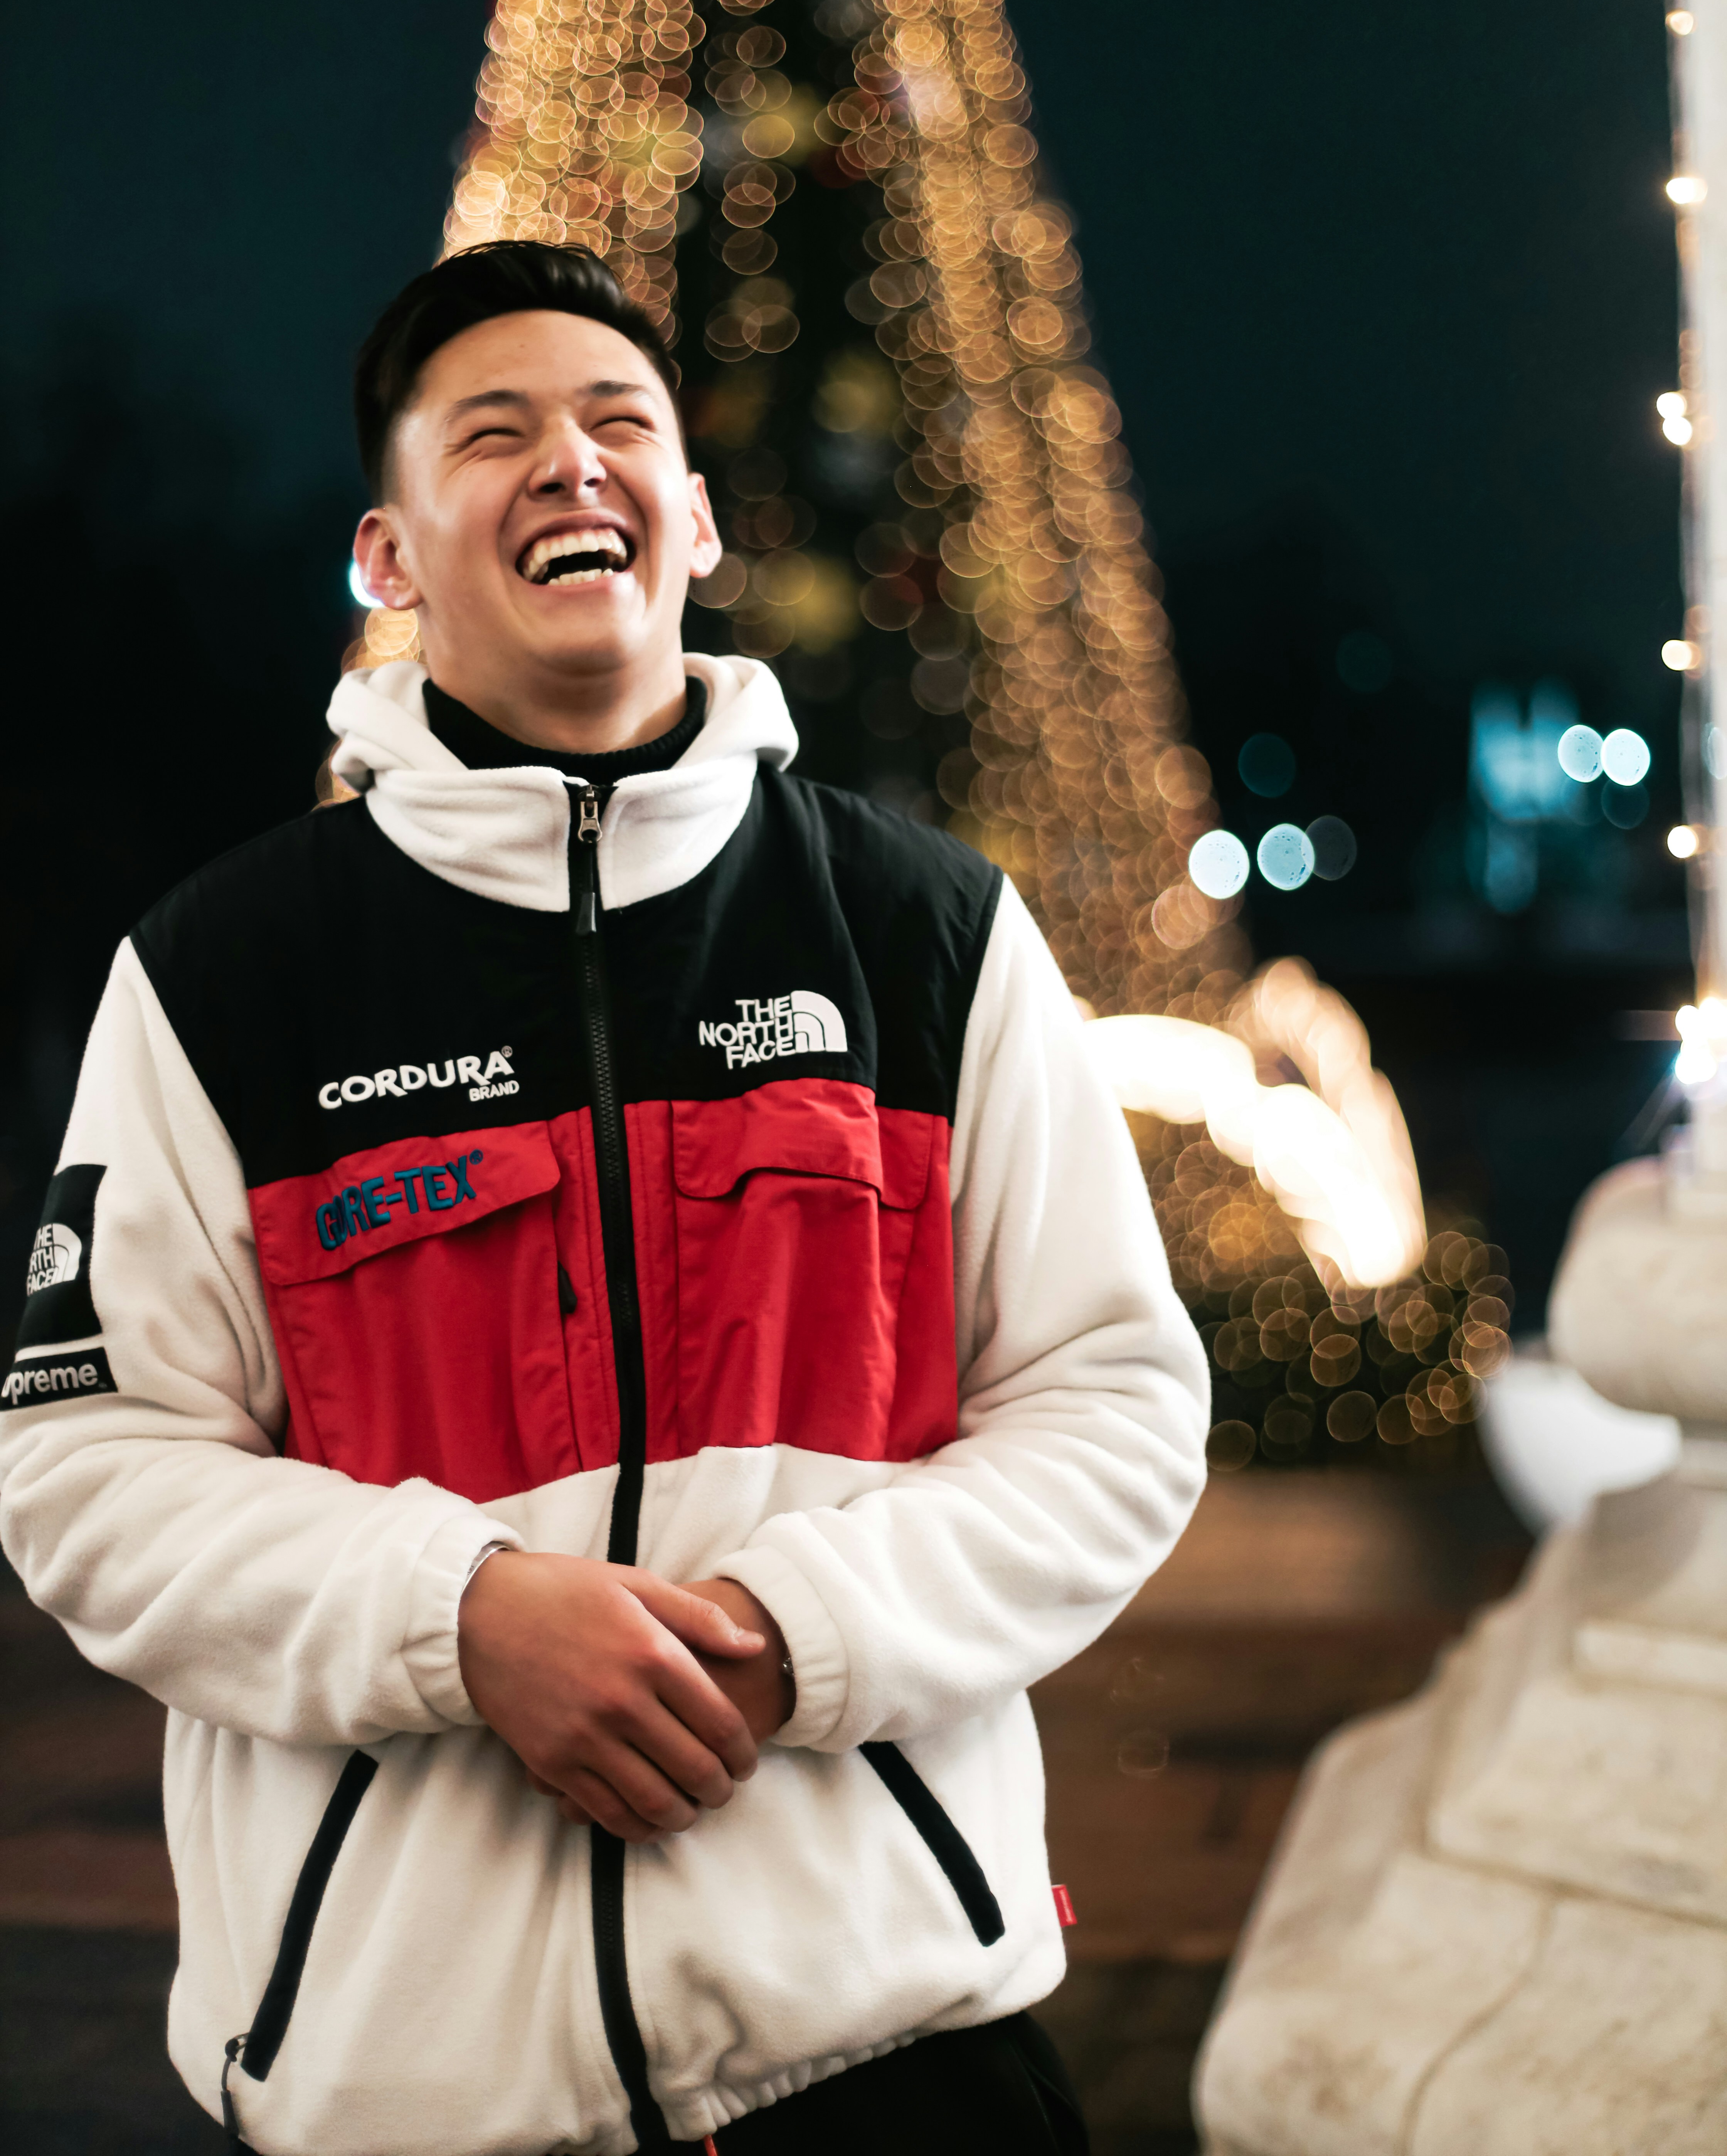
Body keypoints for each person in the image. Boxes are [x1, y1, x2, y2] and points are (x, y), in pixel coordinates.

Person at [0, 243, 1209, 2156]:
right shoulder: (230, 971)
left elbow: (1118, 1405)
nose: (571, 462)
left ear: (699, 521)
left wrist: (794, 1625)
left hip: (897, 2058)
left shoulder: (924, 930)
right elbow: (88, 1475)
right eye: (494, 436)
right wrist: (461, 1619)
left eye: (618, 423)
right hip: (408, 2092)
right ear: (388, 555)